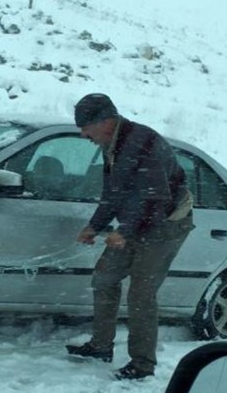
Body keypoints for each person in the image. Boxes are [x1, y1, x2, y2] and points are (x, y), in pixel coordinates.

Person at [65, 93, 194, 380]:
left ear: (106, 122)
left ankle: (143, 365)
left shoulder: (142, 143)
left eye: (86, 127)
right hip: (139, 222)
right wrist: (94, 226)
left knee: (141, 296)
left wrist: (124, 231)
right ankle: (101, 346)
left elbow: (155, 196)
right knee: (104, 279)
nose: (83, 134)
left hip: (165, 225)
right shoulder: (111, 145)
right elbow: (114, 194)